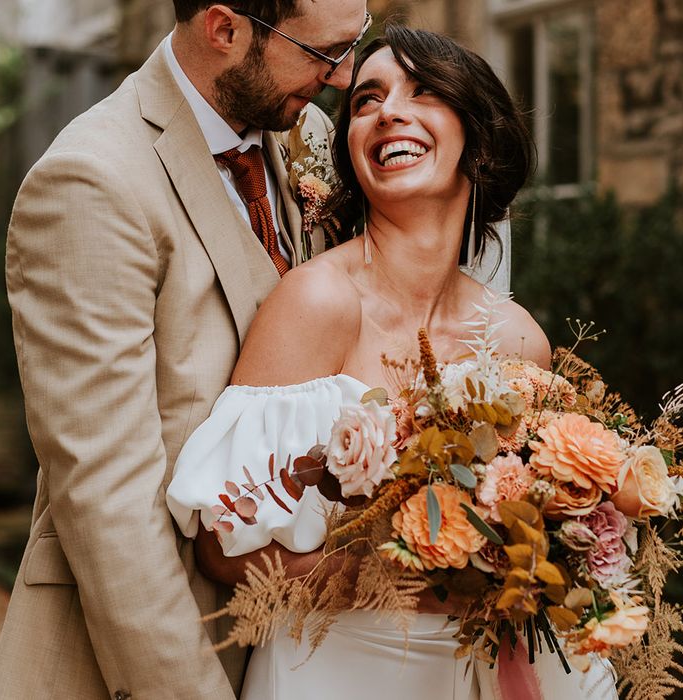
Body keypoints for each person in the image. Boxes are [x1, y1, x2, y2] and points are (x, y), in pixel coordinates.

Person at [167, 26, 618, 699]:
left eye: (424, 91)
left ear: (480, 137)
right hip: (335, 672)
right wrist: (409, 577)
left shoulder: (519, 339)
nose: (389, 111)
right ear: (352, 151)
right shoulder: (317, 302)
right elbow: (220, 543)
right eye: (366, 101)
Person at [0, 2, 373, 699]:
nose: (344, 77)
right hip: (151, 652)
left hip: (299, 653)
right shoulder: (91, 181)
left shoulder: (305, 132)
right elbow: (107, 501)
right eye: (324, 51)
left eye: (354, 44)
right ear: (224, 29)